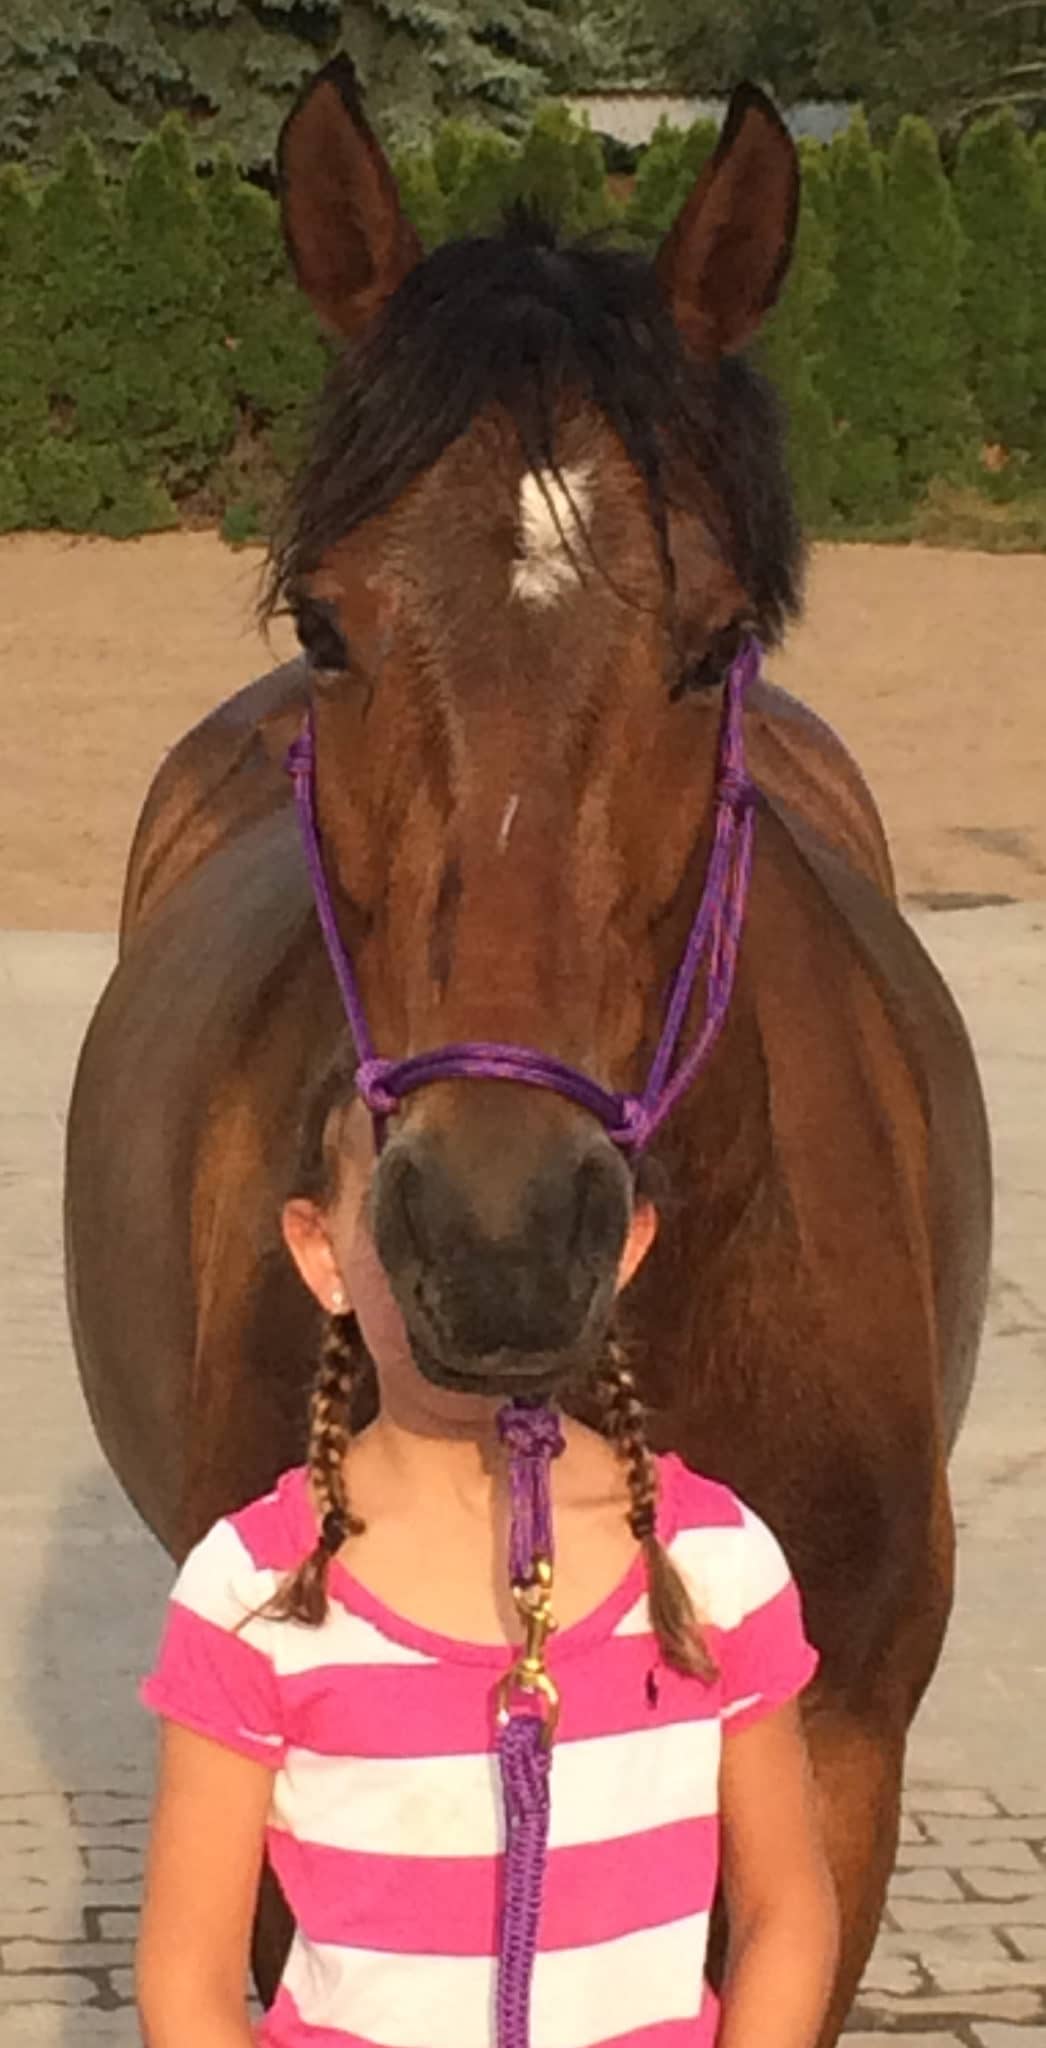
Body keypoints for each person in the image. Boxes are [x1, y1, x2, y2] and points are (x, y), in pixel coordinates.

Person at [135, 1053, 839, 2048]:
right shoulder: (251, 1589)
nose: (479, 1260)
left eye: (527, 1218)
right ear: (320, 1251)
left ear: (621, 1246)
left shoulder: (716, 1562)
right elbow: (188, 1973)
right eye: (415, 1215)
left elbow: (786, 1908)